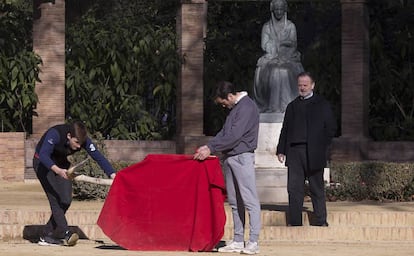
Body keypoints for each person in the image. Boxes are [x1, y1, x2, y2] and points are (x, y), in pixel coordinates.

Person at [193, 81, 261, 255]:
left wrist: (211, 148)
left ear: (230, 96)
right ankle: (238, 240)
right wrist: (208, 146)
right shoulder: (235, 109)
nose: (224, 106)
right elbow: (224, 133)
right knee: (235, 201)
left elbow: (235, 136)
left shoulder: (246, 107)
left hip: (242, 156)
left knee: (249, 200)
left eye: (224, 103)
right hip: (231, 157)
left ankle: (253, 241)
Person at [33, 121, 117, 246]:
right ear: (68, 136)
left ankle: (46, 234)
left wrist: (113, 175)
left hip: (62, 166)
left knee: (66, 200)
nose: (78, 147)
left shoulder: (82, 140)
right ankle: (66, 233)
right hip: (43, 165)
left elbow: (98, 156)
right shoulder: (55, 134)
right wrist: (57, 170)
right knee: (55, 199)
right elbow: (43, 155)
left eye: (81, 144)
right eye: (76, 142)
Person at [276, 72, 336, 226]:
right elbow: (285, 129)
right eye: (300, 85)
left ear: (312, 85)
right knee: (294, 189)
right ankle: (295, 222)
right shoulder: (292, 106)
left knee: (317, 188)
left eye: (305, 85)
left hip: (315, 152)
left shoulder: (322, 104)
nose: (302, 88)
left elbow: (330, 129)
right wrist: (281, 149)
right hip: (295, 152)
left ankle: (321, 220)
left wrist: (323, 147)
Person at [253, 0, 304, 113]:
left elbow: (293, 44)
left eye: (281, 9)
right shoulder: (267, 27)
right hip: (271, 57)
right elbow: (264, 44)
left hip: (288, 57)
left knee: (284, 71)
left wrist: (284, 47)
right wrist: (274, 47)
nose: (279, 12)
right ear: (273, 10)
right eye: (277, 9)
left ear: (285, 10)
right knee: (275, 71)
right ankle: (274, 106)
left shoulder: (290, 26)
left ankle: (288, 106)